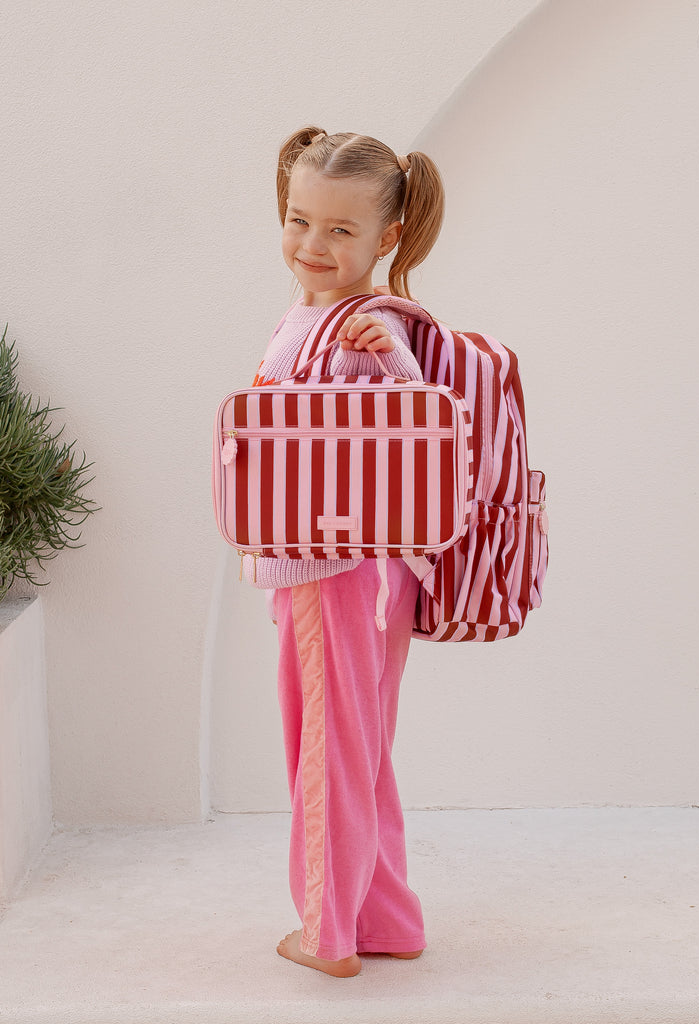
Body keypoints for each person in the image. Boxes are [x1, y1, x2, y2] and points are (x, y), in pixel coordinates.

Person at [246, 126, 445, 978]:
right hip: (367, 573)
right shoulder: (318, 315)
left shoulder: (362, 326)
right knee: (360, 747)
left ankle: (327, 932)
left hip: (335, 571)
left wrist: (393, 362)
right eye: (300, 221)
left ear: (387, 237)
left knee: (326, 747)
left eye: (340, 230)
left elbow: (427, 429)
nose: (312, 245)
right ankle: (386, 915)